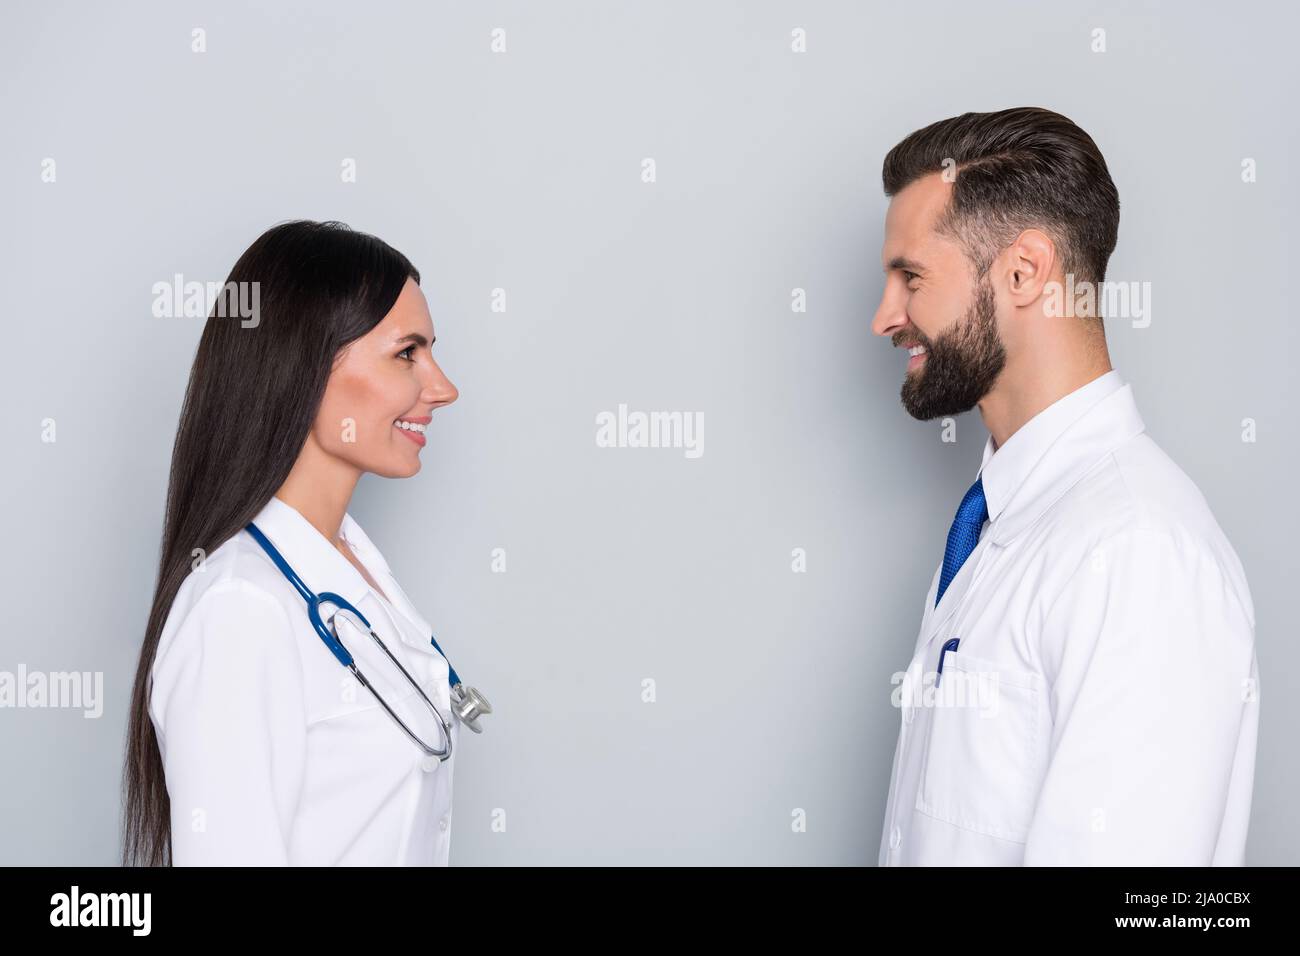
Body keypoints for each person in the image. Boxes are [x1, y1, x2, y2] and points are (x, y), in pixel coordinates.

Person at [870, 107, 1258, 865]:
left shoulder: (1139, 552)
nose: (885, 317)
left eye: (910, 276)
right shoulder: (996, 525)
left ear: (1023, 271)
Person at [122, 220, 464, 865]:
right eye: (407, 353)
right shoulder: (239, 608)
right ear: (306, 364)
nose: (443, 388)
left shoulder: (354, 572)